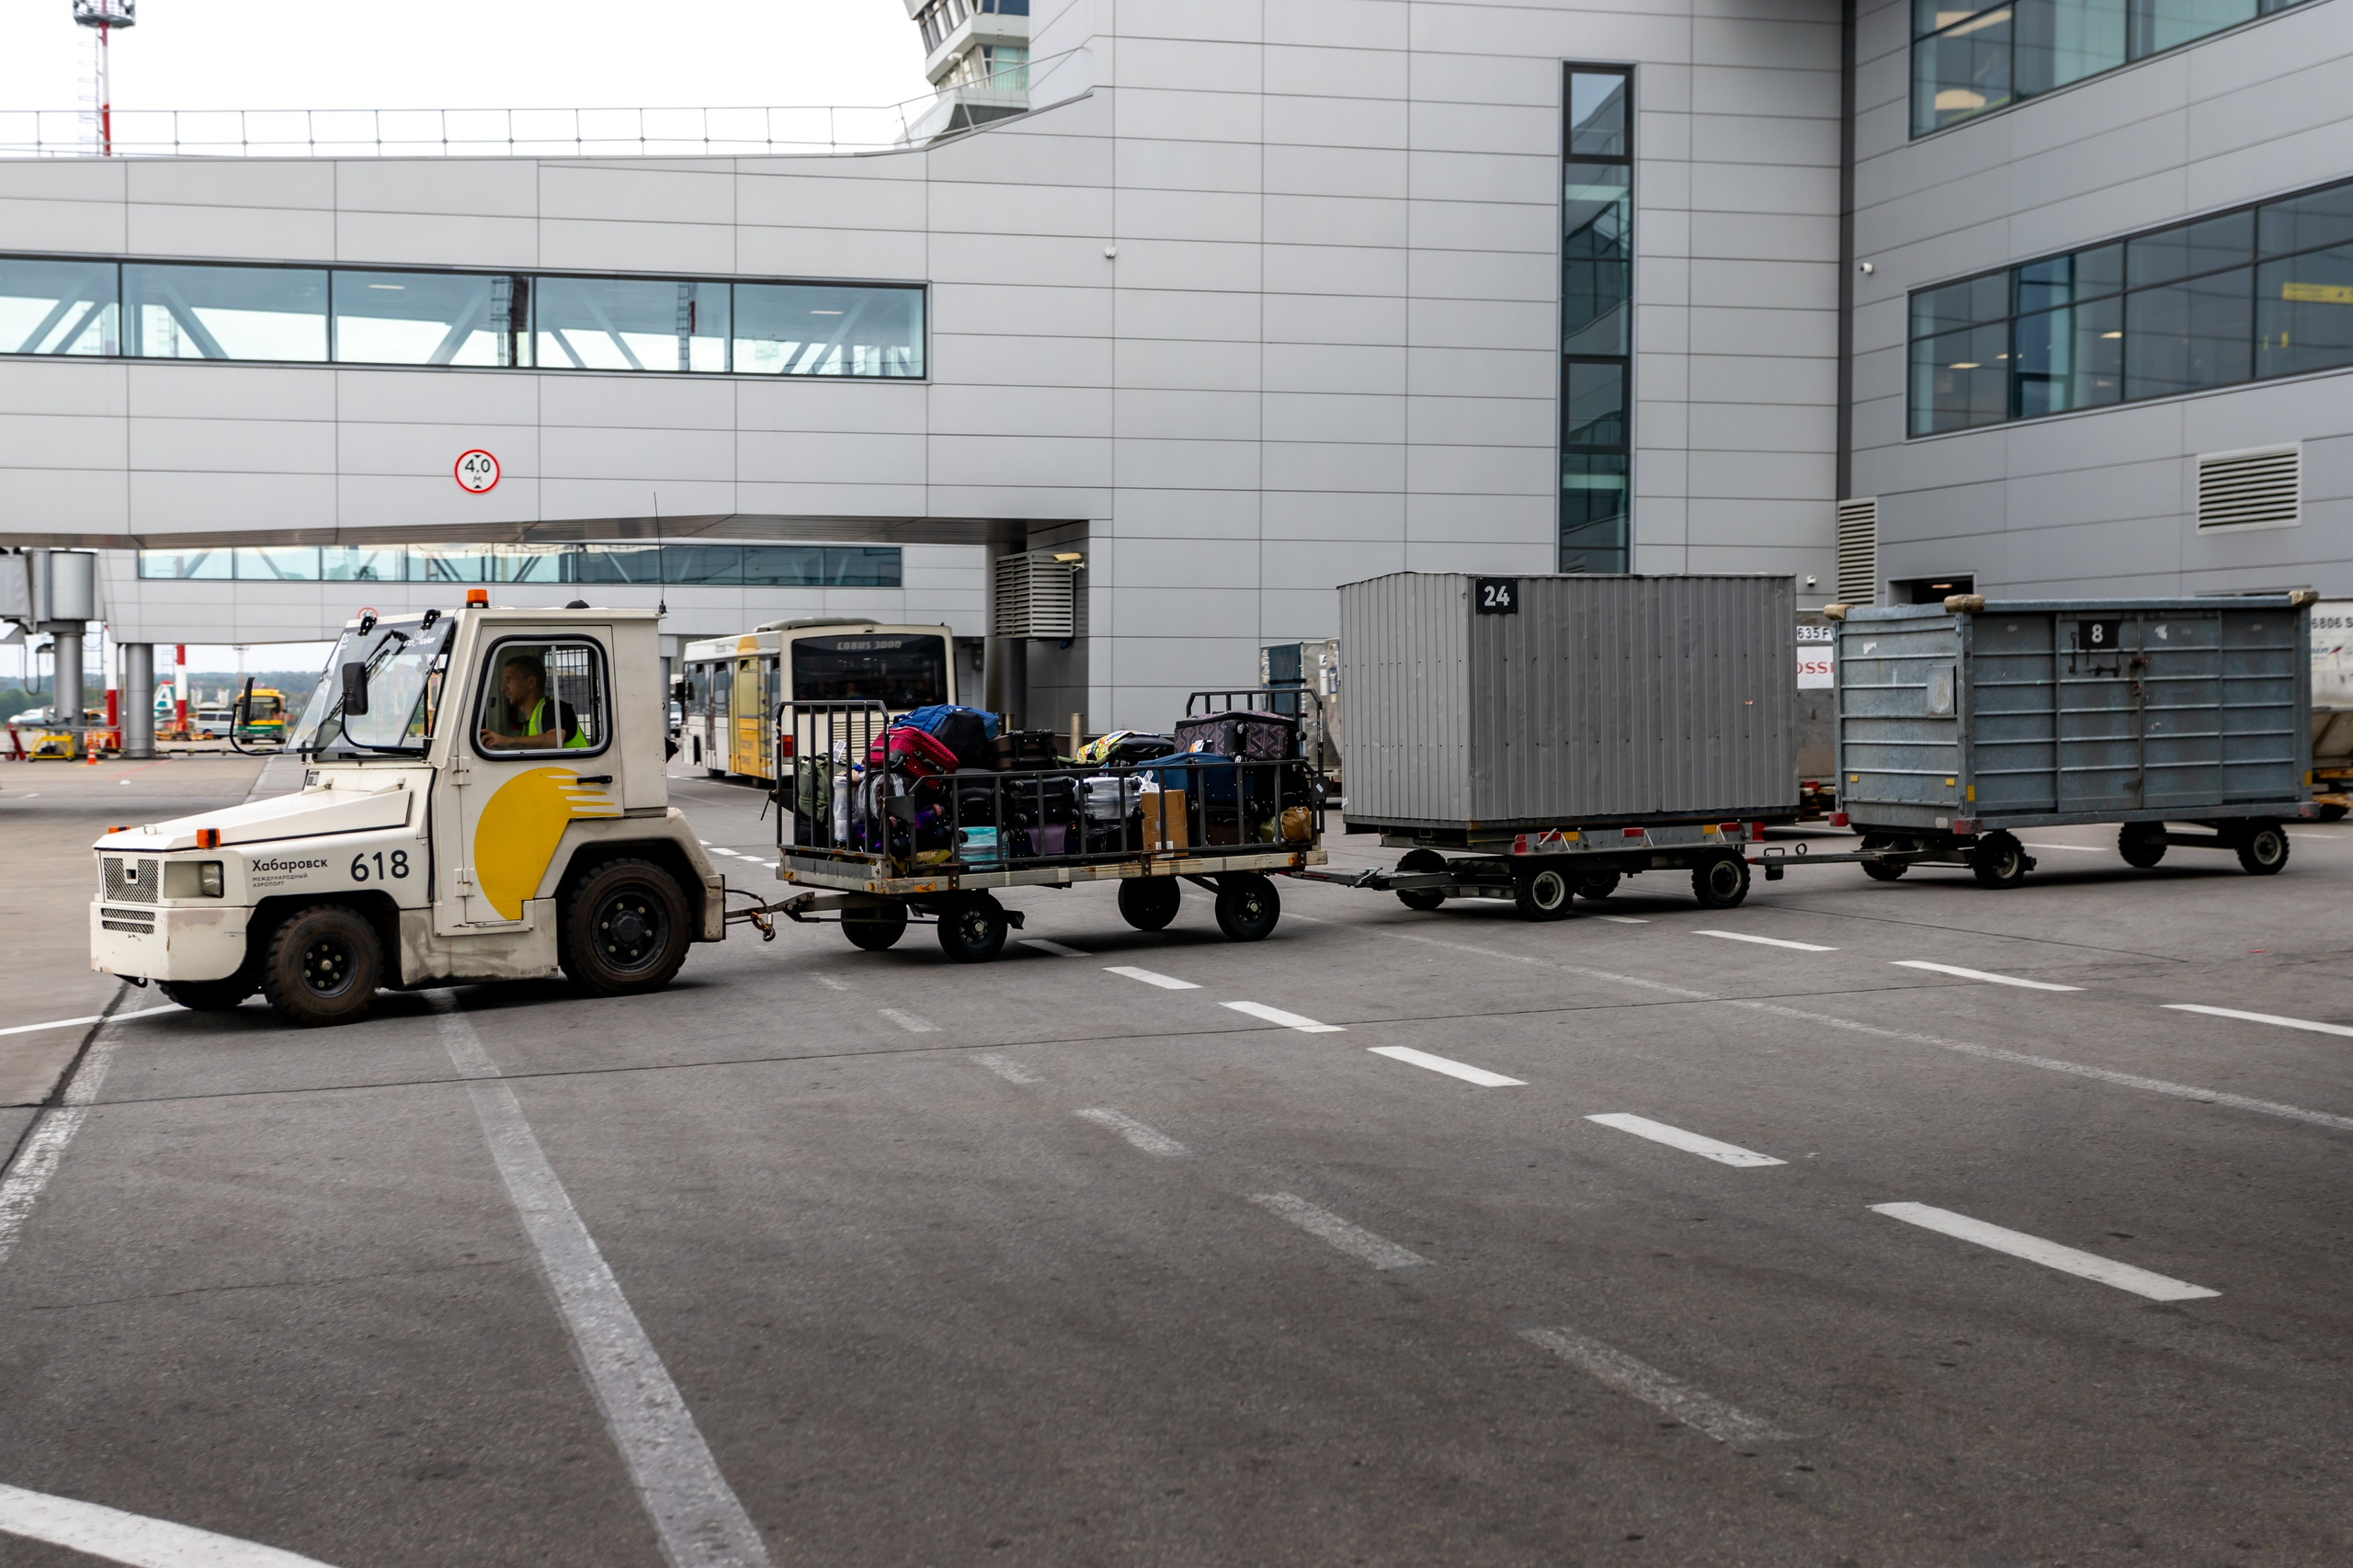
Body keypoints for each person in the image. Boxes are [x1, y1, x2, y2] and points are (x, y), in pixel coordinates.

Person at [478, 652, 587, 751]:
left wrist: (507, 741)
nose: (503, 687)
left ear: (531, 682)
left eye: (509, 679)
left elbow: (555, 741)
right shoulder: (529, 722)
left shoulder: (555, 708)